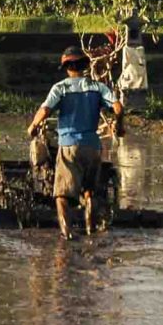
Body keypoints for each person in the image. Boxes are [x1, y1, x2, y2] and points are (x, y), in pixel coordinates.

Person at [27, 46, 125, 239]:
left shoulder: (61, 88)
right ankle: (90, 225)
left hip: (69, 146)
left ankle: (67, 235)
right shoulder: (98, 87)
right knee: (89, 191)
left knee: (61, 195)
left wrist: (33, 125)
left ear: (66, 67)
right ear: (85, 66)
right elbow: (118, 107)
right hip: (93, 147)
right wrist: (119, 126)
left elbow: (46, 110)